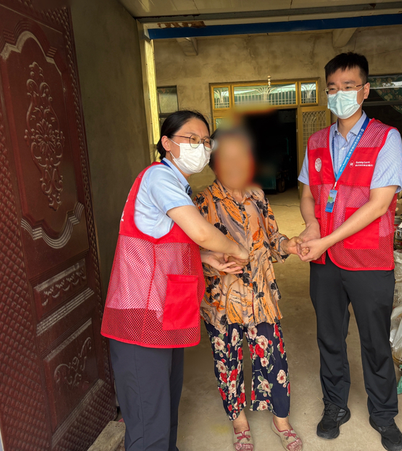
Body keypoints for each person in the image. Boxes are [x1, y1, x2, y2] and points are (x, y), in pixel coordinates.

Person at [101, 111, 250, 451]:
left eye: (205, 141)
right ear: (167, 143)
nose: (201, 146)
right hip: (142, 316)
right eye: (191, 139)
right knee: (149, 421)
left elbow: (165, 243)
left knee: (165, 406)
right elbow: (200, 232)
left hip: (166, 310)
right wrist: (235, 249)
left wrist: (204, 257)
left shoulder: (178, 184)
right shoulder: (158, 177)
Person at [297, 52, 402, 451]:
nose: (339, 94)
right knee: (329, 337)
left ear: (365, 90)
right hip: (325, 261)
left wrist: (325, 239)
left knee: (375, 341)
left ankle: (384, 414)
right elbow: (307, 195)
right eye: (332, 88)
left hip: (368, 258)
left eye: (348, 86)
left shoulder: (385, 138)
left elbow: (378, 204)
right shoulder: (316, 142)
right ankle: (335, 406)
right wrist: (312, 225)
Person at [194, 127, 304, 451]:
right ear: (213, 162)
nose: (235, 163)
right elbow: (187, 252)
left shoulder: (257, 195)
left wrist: (289, 244)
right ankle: (239, 422)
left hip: (260, 295)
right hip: (221, 299)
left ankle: (281, 419)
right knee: (227, 361)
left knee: (274, 357)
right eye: (227, 157)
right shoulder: (201, 202)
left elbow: (273, 239)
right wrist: (209, 259)